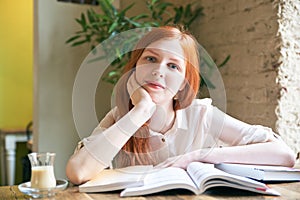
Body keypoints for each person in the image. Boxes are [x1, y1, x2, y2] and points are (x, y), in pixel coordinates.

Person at [66, 25, 296, 185]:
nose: (158, 71)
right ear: (135, 68)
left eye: (173, 66)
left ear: (183, 84)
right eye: (151, 59)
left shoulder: (201, 115)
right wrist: (141, 111)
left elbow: (283, 155)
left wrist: (198, 156)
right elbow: (77, 172)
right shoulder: (121, 118)